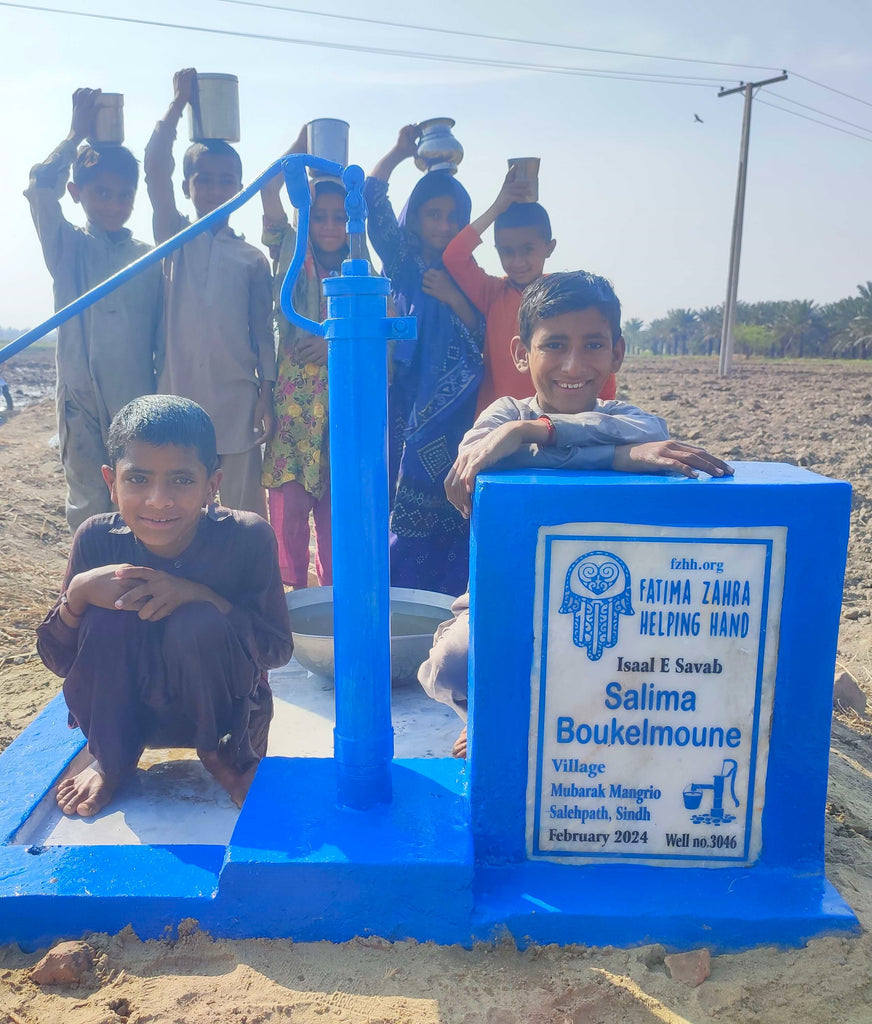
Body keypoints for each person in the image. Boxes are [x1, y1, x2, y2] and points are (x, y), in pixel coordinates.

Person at [419, 272, 733, 757]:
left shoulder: (628, 418)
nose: (573, 364)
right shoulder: (504, 415)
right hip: (508, 596)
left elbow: (653, 430)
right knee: (451, 666)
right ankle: (483, 714)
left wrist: (537, 435)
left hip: (609, 603)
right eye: (555, 345)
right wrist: (615, 457)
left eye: (592, 345)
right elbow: (475, 461)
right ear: (522, 352)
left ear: (617, 354)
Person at [36, 395, 293, 817]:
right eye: (137, 479)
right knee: (105, 617)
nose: (159, 500)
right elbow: (60, 661)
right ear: (111, 483)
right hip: (125, 715)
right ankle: (113, 760)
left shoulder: (248, 538)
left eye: (182, 480)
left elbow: (277, 649)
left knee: (197, 621)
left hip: (224, 717)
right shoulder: (97, 540)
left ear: (213, 484)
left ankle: (220, 759)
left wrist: (203, 596)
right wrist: (77, 594)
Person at [25, 88, 162, 533]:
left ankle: (133, 579)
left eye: (124, 195)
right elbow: (39, 185)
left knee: (137, 495)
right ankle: (89, 583)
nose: (113, 205)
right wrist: (74, 135)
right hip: (80, 401)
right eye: (101, 193)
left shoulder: (150, 257)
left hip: (136, 399)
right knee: (88, 501)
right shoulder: (68, 248)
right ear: (76, 193)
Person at [144, 68, 275, 518]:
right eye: (205, 180)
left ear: (241, 189)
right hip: (178, 399)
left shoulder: (252, 258)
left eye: (226, 181)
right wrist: (178, 104)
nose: (216, 190)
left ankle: (241, 587)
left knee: (242, 511)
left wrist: (268, 390)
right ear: (187, 188)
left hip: (236, 402)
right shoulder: (173, 239)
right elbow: (155, 166)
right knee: (179, 505)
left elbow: (263, 333)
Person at [364, 125, 484, 596]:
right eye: (433, 214)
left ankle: (447, 606)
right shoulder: (402, 261)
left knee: (454, 508)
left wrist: (456, 299)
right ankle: (398, 604)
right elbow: (372, 199)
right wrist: (397, 151)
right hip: (404, 405)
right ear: (413, 217)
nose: (443, 225)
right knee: (402, 502)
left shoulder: (467, 273)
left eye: (453, 217)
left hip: (456, 416)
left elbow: (484, 336)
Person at [443, 166, 616, 414]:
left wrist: (603, 412)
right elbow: (454, 256)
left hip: (561, 420)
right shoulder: (493, 293)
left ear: (549, 247)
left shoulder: (564, 298)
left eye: (527, 249)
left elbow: (596, 352)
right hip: (502, 419)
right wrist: (497, 207)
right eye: (507, 251)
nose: (517, 261)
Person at [260, 126, 341, 588]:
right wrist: (302, 146)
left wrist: (333, 345)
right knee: (288, 517)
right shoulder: (289, 250)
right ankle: (293, 606)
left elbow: (382, 344)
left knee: (335, 522)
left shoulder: (362, 273)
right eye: (319, 214)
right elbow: (270, 187)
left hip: (337, 417)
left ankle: (333, 609)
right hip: (294, 415)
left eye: (338, 216)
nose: (329, 225)